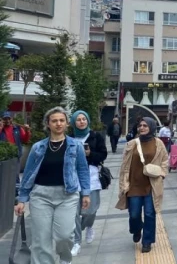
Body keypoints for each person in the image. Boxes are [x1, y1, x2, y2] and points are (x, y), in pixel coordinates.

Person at [14, 107, 90, 264]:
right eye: (54, 121)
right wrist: (22, 199)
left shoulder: (75, 146)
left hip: (67, 196)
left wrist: (86, 193)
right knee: (41, 239)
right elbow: (28, 174)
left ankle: (65, 258)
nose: (58, 123)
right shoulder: (38, 147)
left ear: (67, 124)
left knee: (64, 235)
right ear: (48, 124)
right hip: (41, 196)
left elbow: (83, 170)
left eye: (62, 120)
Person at [115, 118, 168, 253]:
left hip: (151, 185)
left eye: (145, 125)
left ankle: (147, 241)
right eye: (140, 125)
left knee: (150, 214)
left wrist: (162, 174)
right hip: (134, 185)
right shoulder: (132, 144)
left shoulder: (158, 143)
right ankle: (136, 229)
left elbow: (164, 161)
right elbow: (124, 165)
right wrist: (123, 183)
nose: (142, 128)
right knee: (134, 214)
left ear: (151, 127)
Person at [69, 110, 107, 257]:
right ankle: (76, 242)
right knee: (74, 213)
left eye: (84, 119)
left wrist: (90, 154)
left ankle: (89, 225)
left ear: (88, 121)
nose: (81, 122)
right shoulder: (69, 138)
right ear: (74, 122)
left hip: (91, 176)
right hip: (73, 177)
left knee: (91, 210)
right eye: (78, 120)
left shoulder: (95, 136)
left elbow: (103, 155)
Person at [1, 111, 31, 186]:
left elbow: (25, 140)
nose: (7, 120)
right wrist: (1, 127)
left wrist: (27, 131)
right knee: (3, 175)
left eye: (8, 118)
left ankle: (16, 192)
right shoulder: (1, 129)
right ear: (2, 120)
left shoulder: (18, 128)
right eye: (5, 119)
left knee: (15, 175)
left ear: (11, 119)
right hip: (3, 157)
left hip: (16, 156)